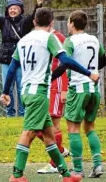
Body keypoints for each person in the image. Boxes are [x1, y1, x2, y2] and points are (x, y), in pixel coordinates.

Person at [0, 7, 99, 182]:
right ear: (52, 23)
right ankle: (16, 175)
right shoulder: (49, 38)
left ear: (33, 21)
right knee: (29, 132)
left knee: (48, 134)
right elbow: (66, 60)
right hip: (38, 93)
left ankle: (66, 175)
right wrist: (88, 73)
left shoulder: (23, 40)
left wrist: (6, 91)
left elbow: (12, 68)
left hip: (27, 91)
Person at [51, 10, 106, 178]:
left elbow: (65, 62)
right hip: (93, 89)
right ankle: (97, 165)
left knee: (73, 129)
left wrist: (51, 77)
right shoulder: (94, 39)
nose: (67, 25)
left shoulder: (70, 41)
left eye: (68, 22)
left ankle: (77, 169)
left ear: (72, 24)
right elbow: (103, 60)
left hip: (78, 89)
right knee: (90, 127)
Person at [0, 0, 44, 117]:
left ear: (20, 10)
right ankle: (10, 114)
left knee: (21, 87)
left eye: (15, 8)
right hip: (6, 59)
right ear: (7, 11)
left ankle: (23, 114)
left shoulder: (25, 22)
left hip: (21, 60)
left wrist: (38, 5)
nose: (12, 10)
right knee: (7, 88)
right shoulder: (3, 22)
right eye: (10, 8)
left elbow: (34, 16)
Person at [36, 28, 70, 174]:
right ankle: (60, 150)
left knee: (54, 124)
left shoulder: (58, 37)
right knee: (38, 127)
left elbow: (65, 63)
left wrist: (64, 88)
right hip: (45, 86)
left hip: (57, 86)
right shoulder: (39, 38)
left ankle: (55, 164)